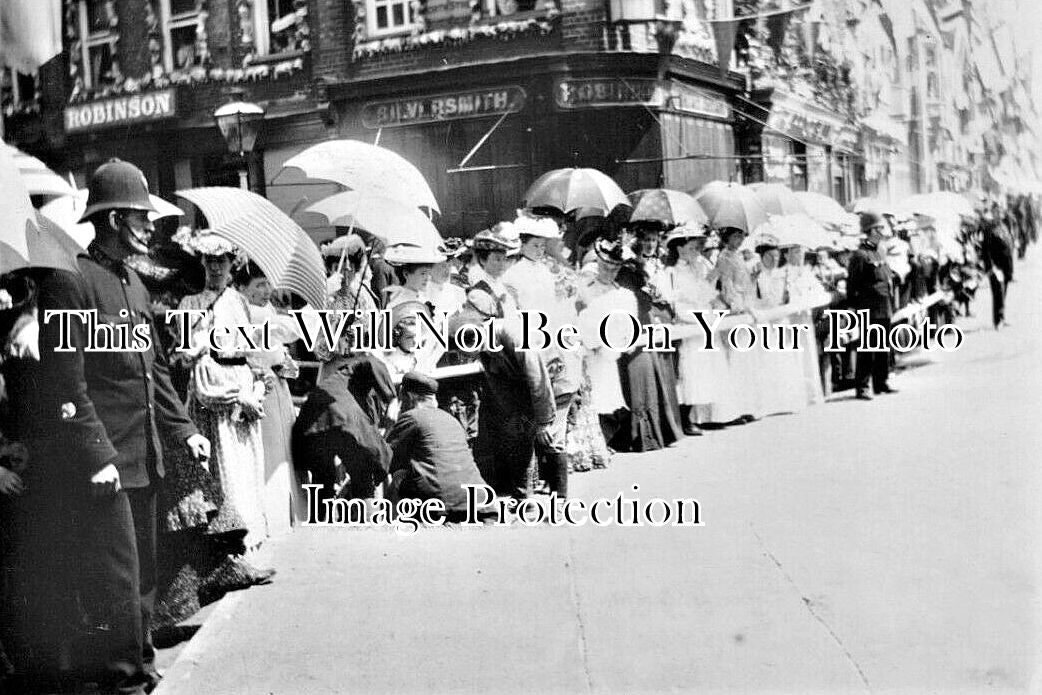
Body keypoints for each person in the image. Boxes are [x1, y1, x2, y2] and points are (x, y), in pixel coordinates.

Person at [29, 159, 209, 693]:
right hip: (105, 462)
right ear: (111, 221)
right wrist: (96, 455)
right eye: (140, 216)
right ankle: (125, 683)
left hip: (144, 454)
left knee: (145, 576)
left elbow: (151, 373)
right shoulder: (70, 283)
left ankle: (143, 667)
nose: (151, 226)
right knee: (117, 580)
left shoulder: (133, 283)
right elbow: (66, 385)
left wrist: (183, 430)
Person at [453, 288, 556, 507]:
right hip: (519, 385)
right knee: (515, 433)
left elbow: (538, 377)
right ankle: (518, 492)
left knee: (532, 436)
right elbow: (499, 383)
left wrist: (544, 420)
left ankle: (530, 497)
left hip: (550, 377)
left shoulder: (513, 334)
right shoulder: (481, 339)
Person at [236, 262, 302, 533]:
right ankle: (274, 518)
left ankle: (282, 515)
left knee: (280, 451)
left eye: (267, 284)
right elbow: (290, 330)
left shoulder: (262, 310)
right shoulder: (252, 312)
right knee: (271, 455)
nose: (266, 290)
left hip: (276, 386)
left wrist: (282, 358)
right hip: (261, 388)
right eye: (259, 285)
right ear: (242, 288)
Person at [660, 225, 739, 431]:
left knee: (712, 367)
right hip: (690, 323)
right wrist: (696, 317)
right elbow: (675, 302)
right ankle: (689, 418)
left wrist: (715, 276)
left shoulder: (699, 267)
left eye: (698, 248)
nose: (696, 252)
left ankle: (711, 415)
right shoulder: (671, 272)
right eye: (692, 248)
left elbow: (707, 294)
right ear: (680, 249)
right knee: (692, 370)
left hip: (705, 321)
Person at [386, 372, 492, 520]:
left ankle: (391, 533)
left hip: (443, 505)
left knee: (399, 476)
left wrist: (390, 424)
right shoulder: (451, 419)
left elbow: (384, 457)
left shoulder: (412, 416)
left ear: (409, 397)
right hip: (481, 502)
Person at [292, 355, 392, 507]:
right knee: (363, 474)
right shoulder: (351, 397)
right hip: (329, 427)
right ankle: (367, 519)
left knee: (323, 482)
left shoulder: (337, 382)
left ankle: (322, 519)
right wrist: (384, 459)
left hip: (310, 434)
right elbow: (372, 443)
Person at [847, 211, 897, 400]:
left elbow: (886, 276)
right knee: (867, 348)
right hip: (869, 308)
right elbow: (853, 284)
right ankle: (862, 386)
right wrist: (855, 307)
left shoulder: (879, 252)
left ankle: (881, 382)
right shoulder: (860, 255)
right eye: (879, 228)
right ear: (870, 230)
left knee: (883, 347)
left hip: (884, 305)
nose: (882, 232)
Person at [467, 223, 521, 317]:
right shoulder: (478, 294)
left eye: (504, 259)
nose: (502, 264)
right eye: (497, 259)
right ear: (483, 260)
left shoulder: (505, 286)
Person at [979, 213, 1015, 330]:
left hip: (1006, 266)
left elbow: (1010, 245)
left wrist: (1010, 269)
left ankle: (1002, 317)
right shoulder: (988, 231)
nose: (997, 218)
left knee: (1003, 292)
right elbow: (986, 252)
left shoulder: (1004, 228)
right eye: (995, 217)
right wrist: (990, 268)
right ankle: (997, 320)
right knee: (998, 292)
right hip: (996, 267)